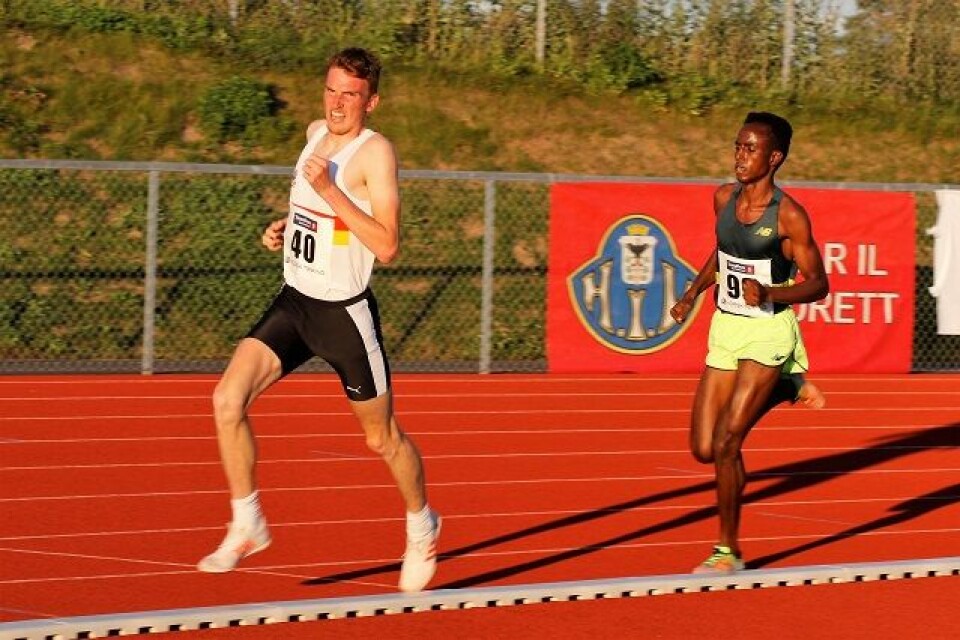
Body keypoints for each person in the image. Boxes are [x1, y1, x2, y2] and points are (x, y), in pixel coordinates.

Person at [197, 47, 440, 593]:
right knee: (226, 400)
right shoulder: (313, 134)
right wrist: (285, 226)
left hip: (343, 315)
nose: (337, 103)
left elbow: (387, 245)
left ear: (370, 102)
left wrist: (331, 190)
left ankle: (422, 525)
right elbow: (314, 213)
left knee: (382, 439)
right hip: (295, 302)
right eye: (331, 90)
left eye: (350, 95)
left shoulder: (374, 153)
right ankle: (247, 521)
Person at [669, 112, 829, 574]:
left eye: (750, 149)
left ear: (773, 158)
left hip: (767, 332)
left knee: (726, 442)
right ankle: (786, 387)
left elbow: (819, 284)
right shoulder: (723, 197)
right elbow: (723, 254)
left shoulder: (789, 215)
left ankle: (728, 551)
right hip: (727, 327)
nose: (740, 156)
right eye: (737, 146)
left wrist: (773, 293)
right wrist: (691, 294)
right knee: (705, 447)